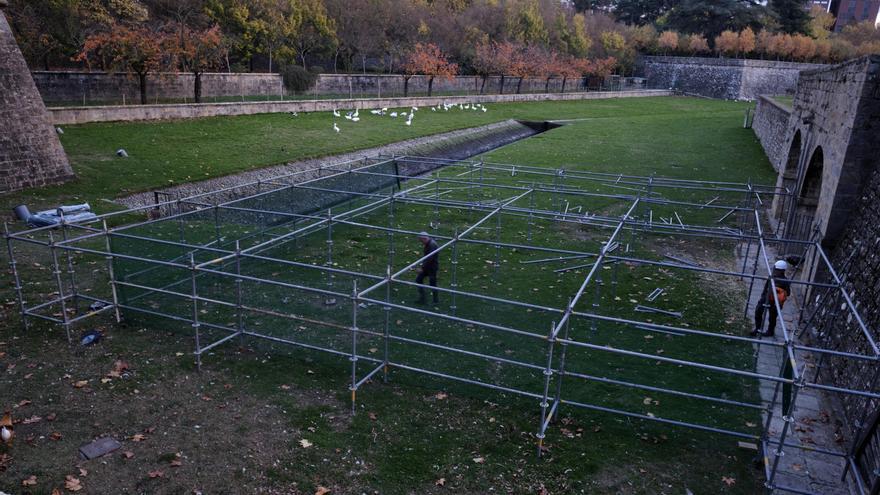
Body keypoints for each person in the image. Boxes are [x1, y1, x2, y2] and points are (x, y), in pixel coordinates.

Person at [751, 260, 791, 338]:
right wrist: (762, 297)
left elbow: (788, 293)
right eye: (775, 269)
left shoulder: (785, 281)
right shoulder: (771, 277)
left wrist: (779, 290)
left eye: (777, 270)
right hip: (766, 297)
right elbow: (765, 288)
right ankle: (757, 328)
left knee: (772, 317)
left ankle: (770, 331)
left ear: (782, 271)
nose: (775, 271)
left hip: (776, 302)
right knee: (758, 311)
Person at [415, 232, 439, 304]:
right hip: (427, 266)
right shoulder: (428, 243)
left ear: (424, 239)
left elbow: (430, 258)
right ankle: (423, 299)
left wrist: (422, 268)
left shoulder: (432, 245)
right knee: (419, 280)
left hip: (432, 268)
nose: (421, 242)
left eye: (421, 240)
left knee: (432, 283)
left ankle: (435, 300)